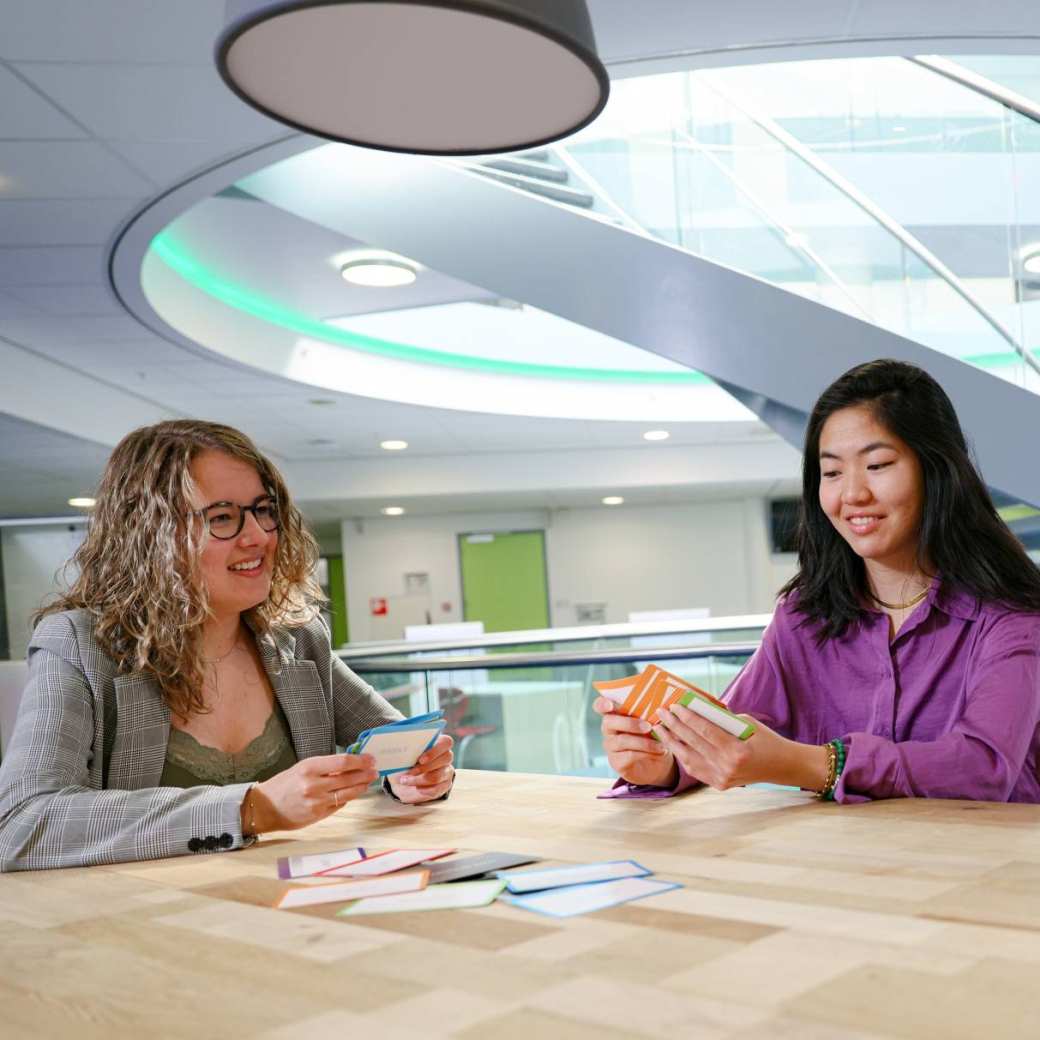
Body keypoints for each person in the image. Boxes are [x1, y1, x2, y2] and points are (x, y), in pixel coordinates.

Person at [0, 420, 454, 871]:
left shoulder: (297, 638)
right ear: (151, 535)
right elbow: (20, 824)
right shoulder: (79, 645)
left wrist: (415, 775)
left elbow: (397, 746)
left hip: (299, 916)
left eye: (263, 510)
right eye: (221, 518)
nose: (257, 536)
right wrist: (251, 808)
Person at [596, 359, 1040, 803]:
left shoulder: (1013, 615)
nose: (852, 494)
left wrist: (815, 765)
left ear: (937, 470)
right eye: (831, 472)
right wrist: (667, 761)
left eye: (878, 464)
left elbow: (983, 767)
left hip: (992, 866)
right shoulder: (803, 616)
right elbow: (739, 730)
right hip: (843, 866)